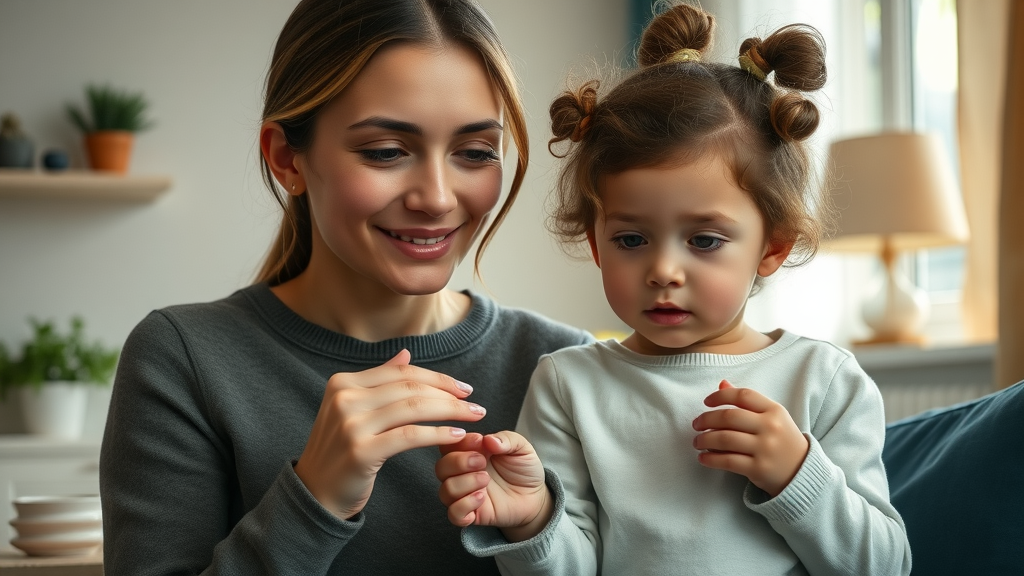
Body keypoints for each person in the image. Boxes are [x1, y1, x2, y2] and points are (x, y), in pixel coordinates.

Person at [98, 1, 592, 574]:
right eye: (385, 152)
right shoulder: (182, 359)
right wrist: (313, 499)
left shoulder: (563, 365)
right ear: (287, 160)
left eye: (475, 153)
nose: (435, 197)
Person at [434, 3, 913, 575]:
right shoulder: (569, 384)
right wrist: (533, 519)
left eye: (705, 241)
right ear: (595, 244)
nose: (663, 270)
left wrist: (797, 475)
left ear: (772, 248)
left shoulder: (824, 380)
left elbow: (885, 566)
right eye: (631, 240)